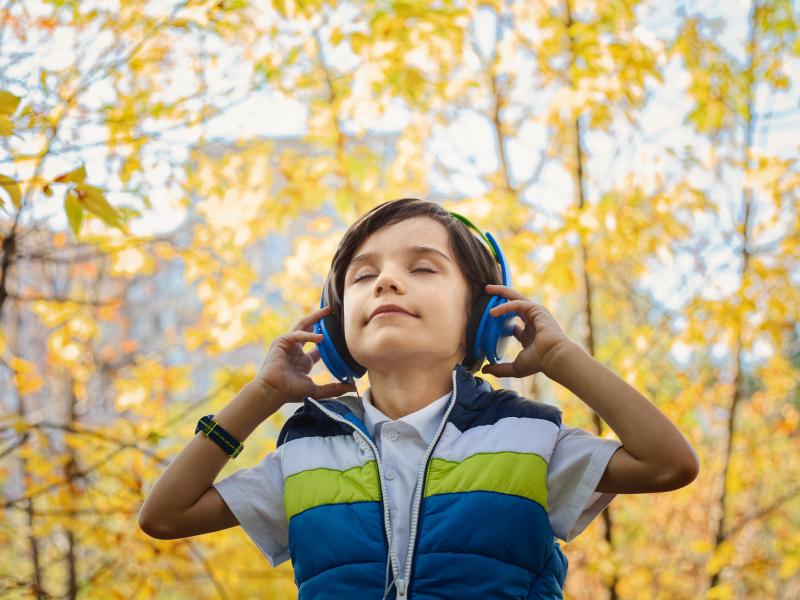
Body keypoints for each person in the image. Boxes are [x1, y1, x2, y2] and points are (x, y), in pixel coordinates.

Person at [139, 198, 700, 599]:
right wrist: (261, 396)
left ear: (481, 318)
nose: (385, 282)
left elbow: (668, 462)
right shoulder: (305, 456)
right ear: (336, 333)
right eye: (363, 277)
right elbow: (164, 515)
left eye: (423, 267)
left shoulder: (527, 440)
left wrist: (559, 357)